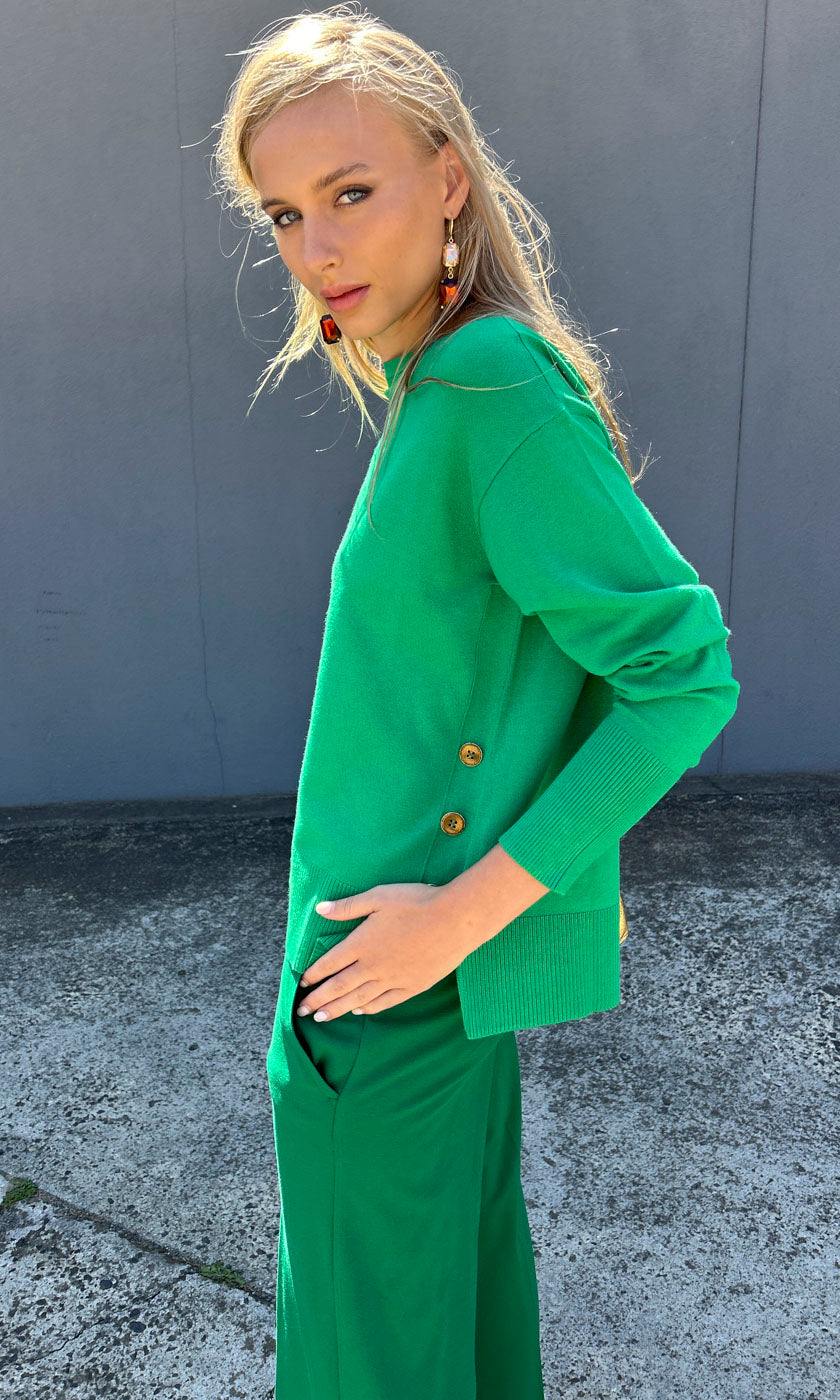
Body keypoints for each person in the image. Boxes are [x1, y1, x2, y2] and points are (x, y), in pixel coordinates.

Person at [211, 6, 740, 1397]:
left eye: (351, 192)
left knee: (374, 1366)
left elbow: (682, 675)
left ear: (449, 178)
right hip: (397, 989)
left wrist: (465, 913)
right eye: (283, 214)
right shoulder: (444, 382)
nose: (316, 249)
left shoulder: (488, 385)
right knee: (454, 1351)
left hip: (393, 994)